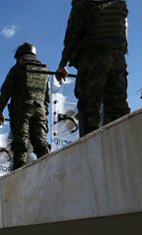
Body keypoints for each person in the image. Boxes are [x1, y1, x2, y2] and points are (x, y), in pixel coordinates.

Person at [55, 0, 130, 136]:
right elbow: (123, 30)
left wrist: (62, 64)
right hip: (118, 58)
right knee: (118, 105)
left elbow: (72, 34)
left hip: (93, 57)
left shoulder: (83, 3)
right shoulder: (119, 3)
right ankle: (126, 138)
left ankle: (90, 144)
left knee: (89, 103)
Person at [0, 43, 52, 171]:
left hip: (21, 110)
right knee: (41, 144)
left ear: (20, 57)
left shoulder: (17, 69)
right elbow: (47, 95)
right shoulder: (44, 69)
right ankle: (48, 170)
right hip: (40, 110)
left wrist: (0, 111)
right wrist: (45, 111)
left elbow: (5, 91)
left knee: (21, 144)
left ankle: (19, 175)